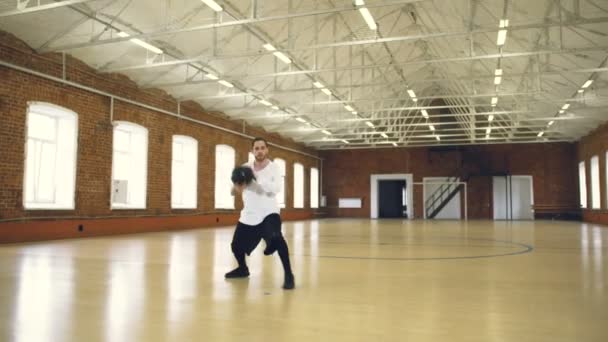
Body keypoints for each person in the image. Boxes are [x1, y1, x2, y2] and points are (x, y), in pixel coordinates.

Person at [225, 137, 295, 290]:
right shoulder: (245, 167)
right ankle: (242, 269)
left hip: (269, 212)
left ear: (267, 150)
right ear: (252, 151)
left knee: (277, 238)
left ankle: (289, 274)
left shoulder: (274, 168)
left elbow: (276, 188)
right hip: (249, 214)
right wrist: (236, 186)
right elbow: (235, 189)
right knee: (236, 246)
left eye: (262, 148)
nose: (260, 151)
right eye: (256, 148)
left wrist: (255, 179)